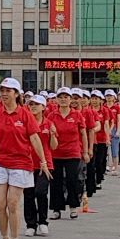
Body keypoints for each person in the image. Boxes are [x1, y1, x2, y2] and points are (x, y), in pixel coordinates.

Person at [0, 78, 49, 239]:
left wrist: (42, 161)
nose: (4, 93)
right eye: (2, 90)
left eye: (8, 90)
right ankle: (4, 238)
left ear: (17, 94)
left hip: (20, 163)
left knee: (12, 203)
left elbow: (35, 138)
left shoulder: (25, 114)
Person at [47, 86, 87, 220]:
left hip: (73, 152)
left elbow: (83, 134)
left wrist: (86, 152)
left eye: (66, 97)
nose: (63, 100)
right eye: (61, 97)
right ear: (56, 100)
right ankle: (56, 209)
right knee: (56, 182)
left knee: (72, 180)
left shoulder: (77, 115)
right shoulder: (52, 115)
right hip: (56, 153)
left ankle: (73, 207)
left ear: (71, 99)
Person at [22, 94, 56, 239]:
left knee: (41, 192)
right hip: (27, 163)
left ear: (43, 107)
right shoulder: (24, 122)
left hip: (45, 164)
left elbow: (53, 147)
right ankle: (31, 224)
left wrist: (53, 135)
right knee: (28, 194)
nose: (33, 107)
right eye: (31, 104)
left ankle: (43, 221)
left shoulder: (48, 124)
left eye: (36, 104)